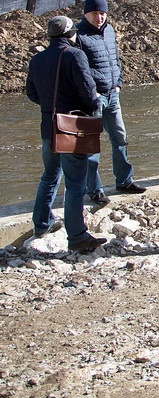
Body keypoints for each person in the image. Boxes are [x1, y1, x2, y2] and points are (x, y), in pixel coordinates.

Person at [27, 16, 107, 254]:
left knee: (50, 175)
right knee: (75, 184)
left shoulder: (37, 59)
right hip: (70, 128)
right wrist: (96, 106)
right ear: (71, 35)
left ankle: (42, 225)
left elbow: (31, 93)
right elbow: (87, 90)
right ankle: (78, 236)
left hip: (48, 126)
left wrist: (50, 105)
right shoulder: (75, 55)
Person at [75, 0, 146, 203]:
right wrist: (92, 92)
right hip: (93, 98)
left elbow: (115, 59)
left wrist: (119, 83)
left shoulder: (109, 30)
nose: (99, 18)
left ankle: (124, 181)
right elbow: (80, 69)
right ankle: (95, 189)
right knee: (91, 144)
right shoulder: (78, 35)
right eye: (95, 13)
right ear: (86, 14)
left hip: (113, 94)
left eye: (103, 13)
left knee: (120, 138)